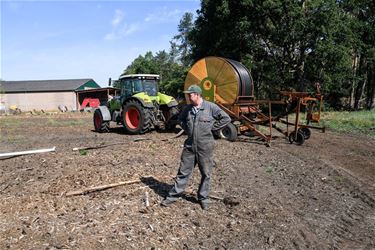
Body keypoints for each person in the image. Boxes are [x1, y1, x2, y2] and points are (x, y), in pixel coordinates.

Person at [161, 84, 231, 210]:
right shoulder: (187, 109)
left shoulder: (210, 107)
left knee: (206, 173)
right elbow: (181, 119)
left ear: (197, 95)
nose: (188, 96)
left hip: (205, 146)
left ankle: (203, 198)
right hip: (189, 146)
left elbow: (226, 118)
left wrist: (213, 128)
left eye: (190, 94)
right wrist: (187, 128)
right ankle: (173, 196)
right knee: (183, 172)